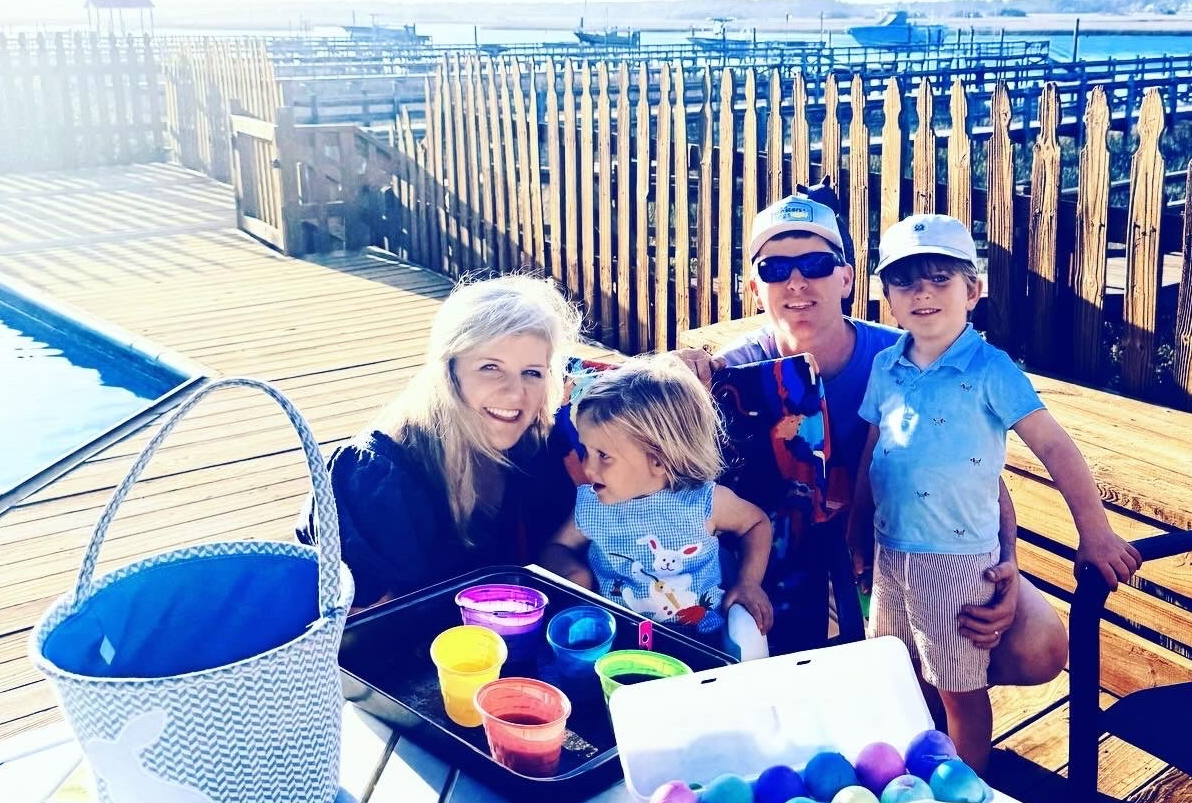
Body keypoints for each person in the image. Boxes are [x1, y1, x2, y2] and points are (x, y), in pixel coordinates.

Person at [680, 189, 1067, 685]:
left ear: (846, 278)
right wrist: (677, 369)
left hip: (904, 548)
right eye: (775, 268)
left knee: (1039, 645)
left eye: (816, 263)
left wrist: (1005, 563)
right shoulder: (733, 373)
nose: (796, 281)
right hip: (780, 558)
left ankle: (944, 692)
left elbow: (979, 470)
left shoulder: (903, 359)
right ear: (755, 287)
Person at [854, 214, 1141, 773]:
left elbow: (1054, 447)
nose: (922, 293)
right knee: (901, 673)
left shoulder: (992, 370)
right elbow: (873, 450)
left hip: (957, 561)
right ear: (887, 298)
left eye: (940, 279)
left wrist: (1096, 533)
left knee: (959, 690)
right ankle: (914, 775)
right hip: (891, 555)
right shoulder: (886, 366)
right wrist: (856, 531)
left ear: (973, 291)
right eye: (905, 282)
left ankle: (967, 792)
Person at [298, 274, 582, 610]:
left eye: (532, 372)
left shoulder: (534, 445)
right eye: (490, 367)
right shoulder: (373, 479)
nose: (515, 393)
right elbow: (361, 626)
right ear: (448, 373)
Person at [540, 355, 774, 659]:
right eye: (586, 450)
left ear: (659, 460)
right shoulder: (593, 503)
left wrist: (748, 582)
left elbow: (756, 524)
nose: (587, 467)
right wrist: (574, 573)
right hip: (617, 644)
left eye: (603, 455)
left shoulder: (703, 502)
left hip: (701, 644)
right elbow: (556, 546)